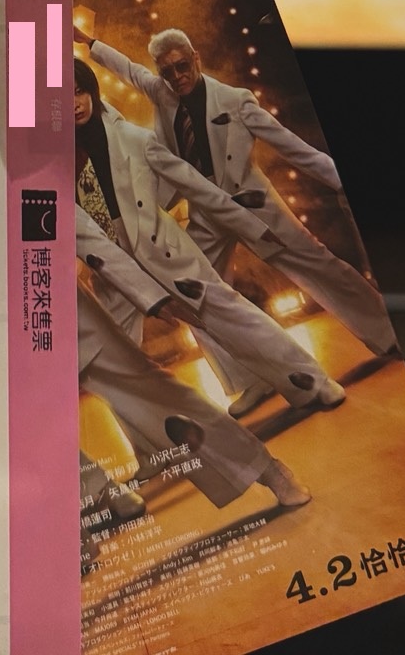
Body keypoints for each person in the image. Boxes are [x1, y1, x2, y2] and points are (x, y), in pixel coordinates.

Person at [80, 26, 399, 369]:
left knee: (320, 265)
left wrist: (337, 180)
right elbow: (129, 69)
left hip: (255, 207)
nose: (177, 76)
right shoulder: (162, 92)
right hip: (205, 210)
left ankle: (387, 332)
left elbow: (292, 147)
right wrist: (88, 42)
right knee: (193, 293)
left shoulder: (236, 101)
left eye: (182, 66)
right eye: (167, 71)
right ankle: (249, 377)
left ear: (195, 58)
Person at [72, 55, 345, 418]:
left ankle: (312, 380)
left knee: (228, 313)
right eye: (62, 98)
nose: (73, 103)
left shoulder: (133, 139)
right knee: (118, 357)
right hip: (111, 265)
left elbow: (195, 186)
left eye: (78, 91)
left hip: (161, 248)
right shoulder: (55, 159)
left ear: (92, 91)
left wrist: (253, 225)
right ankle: (241, 388)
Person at [75, 207, 312, 517]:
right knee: (28, 435)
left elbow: (86, 236)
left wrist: (153, 297)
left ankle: (267, 469)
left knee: (161, 395)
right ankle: (97, 495)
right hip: (14, 360)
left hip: (68, 321)